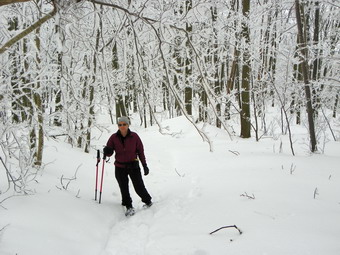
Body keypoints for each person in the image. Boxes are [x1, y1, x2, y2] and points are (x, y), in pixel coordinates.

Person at [103, 116, 152, 216]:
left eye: (124, 124)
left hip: (133, 166)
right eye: (120, 125)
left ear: (128, 125)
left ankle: (148, 201)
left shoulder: (134, 137)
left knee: (139, 186)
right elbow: (109, 153)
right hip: (120, 167)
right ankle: (129, 206)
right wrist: (107, 151)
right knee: (123, 188)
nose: (122, 126)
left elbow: (141, 152)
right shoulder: (113, 137)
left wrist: (144, 165)